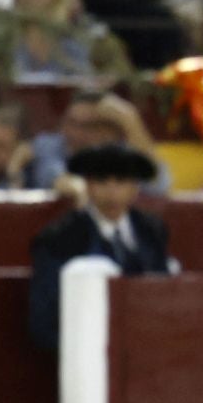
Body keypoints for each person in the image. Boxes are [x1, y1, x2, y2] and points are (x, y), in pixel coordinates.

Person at [28, 143, 172, 351]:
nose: (111, 191)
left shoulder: (151, 232)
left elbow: (163, 299)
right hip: (84, 355)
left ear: (134, 188)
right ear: (88, 185)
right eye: (102, 181)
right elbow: (44, 321)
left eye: (121, 181)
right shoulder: (60, 238)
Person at [33, 89, 172, 192]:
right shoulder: (49, 144)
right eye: (70, 123)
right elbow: (52, 173)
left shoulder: (121, 152)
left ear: (111, 133)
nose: (74, 133)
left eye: (87, 126)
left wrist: (130, 120)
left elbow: (158, 186)